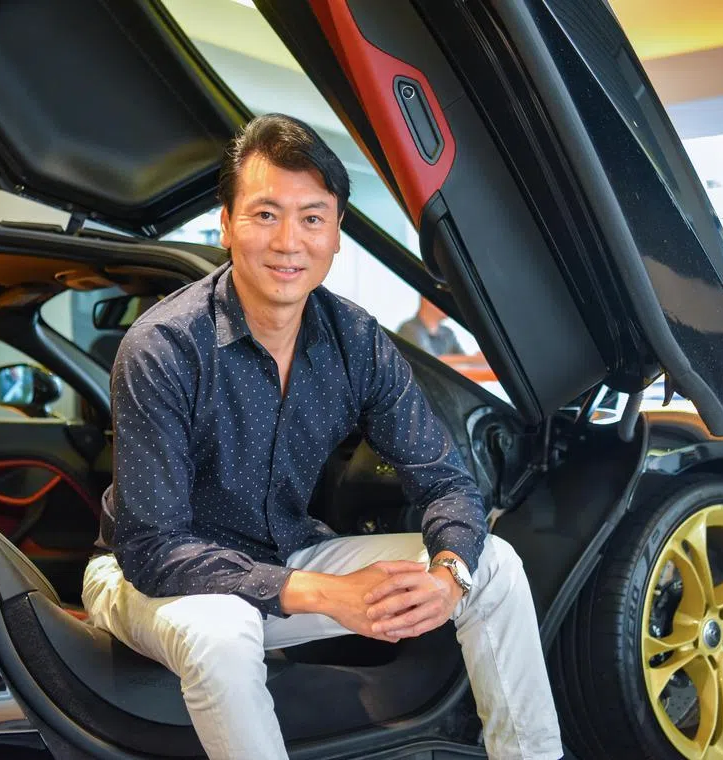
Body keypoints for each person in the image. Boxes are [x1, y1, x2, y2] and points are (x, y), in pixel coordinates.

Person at [81, 114, 562, 760]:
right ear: (226, 224)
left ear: (336, 234)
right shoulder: (163, 348)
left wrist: (448, 575)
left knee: (493, 566)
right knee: (224, 629)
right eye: (265, 214)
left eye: (312, 218)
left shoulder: (356, 342)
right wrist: (330, 595)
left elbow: (447, 482)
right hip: (143, 581)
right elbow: (153, 548)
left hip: (285, 561)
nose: (289, 242)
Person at [398, 297, 487, 369]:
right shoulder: (409, 329)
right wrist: (472, 359)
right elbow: (431, 362)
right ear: (426, 300)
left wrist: (479, 360)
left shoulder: (448, 333)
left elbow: (465, 362)